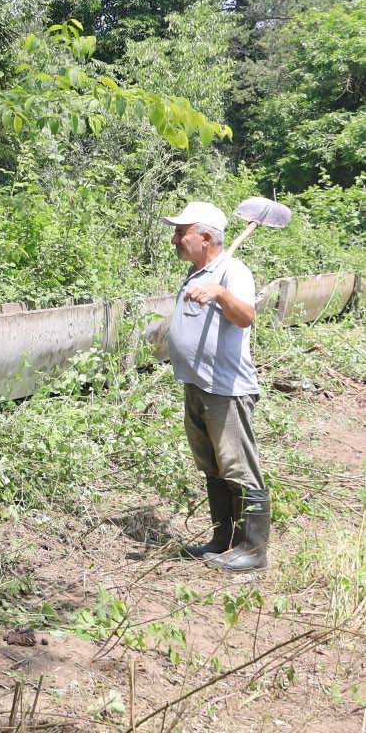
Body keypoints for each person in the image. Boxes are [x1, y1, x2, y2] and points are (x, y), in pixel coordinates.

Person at [164, 200, 269, 572]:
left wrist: (221, 294)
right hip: (197, 386)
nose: (174, 239)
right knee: (213, 467)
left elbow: (246, 317)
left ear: (205, 237)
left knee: (238, 467)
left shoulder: (232, 271)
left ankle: (254, 552)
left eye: (181, 232)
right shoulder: (198, 273)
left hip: (226, 390)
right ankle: (222, 540)